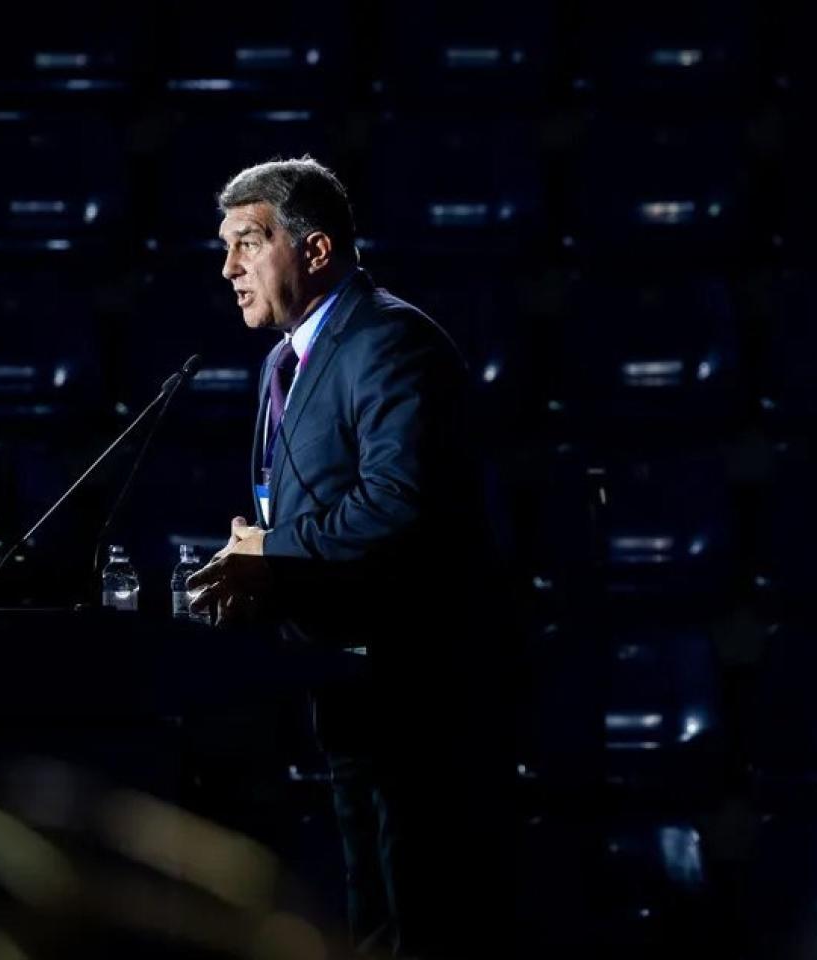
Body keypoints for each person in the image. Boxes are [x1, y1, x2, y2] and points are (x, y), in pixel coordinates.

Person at [188, 157, 510, 958]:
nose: (229, 269)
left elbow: (395, 507)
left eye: (248, 244)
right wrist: (255, 558)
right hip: (338, 684)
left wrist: (275, 549)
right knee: (367, 911)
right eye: (224, 248)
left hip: (416, 687)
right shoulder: (280, 361)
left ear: (317, 249)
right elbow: (288, 506)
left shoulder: (392, 342)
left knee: (419, 912)